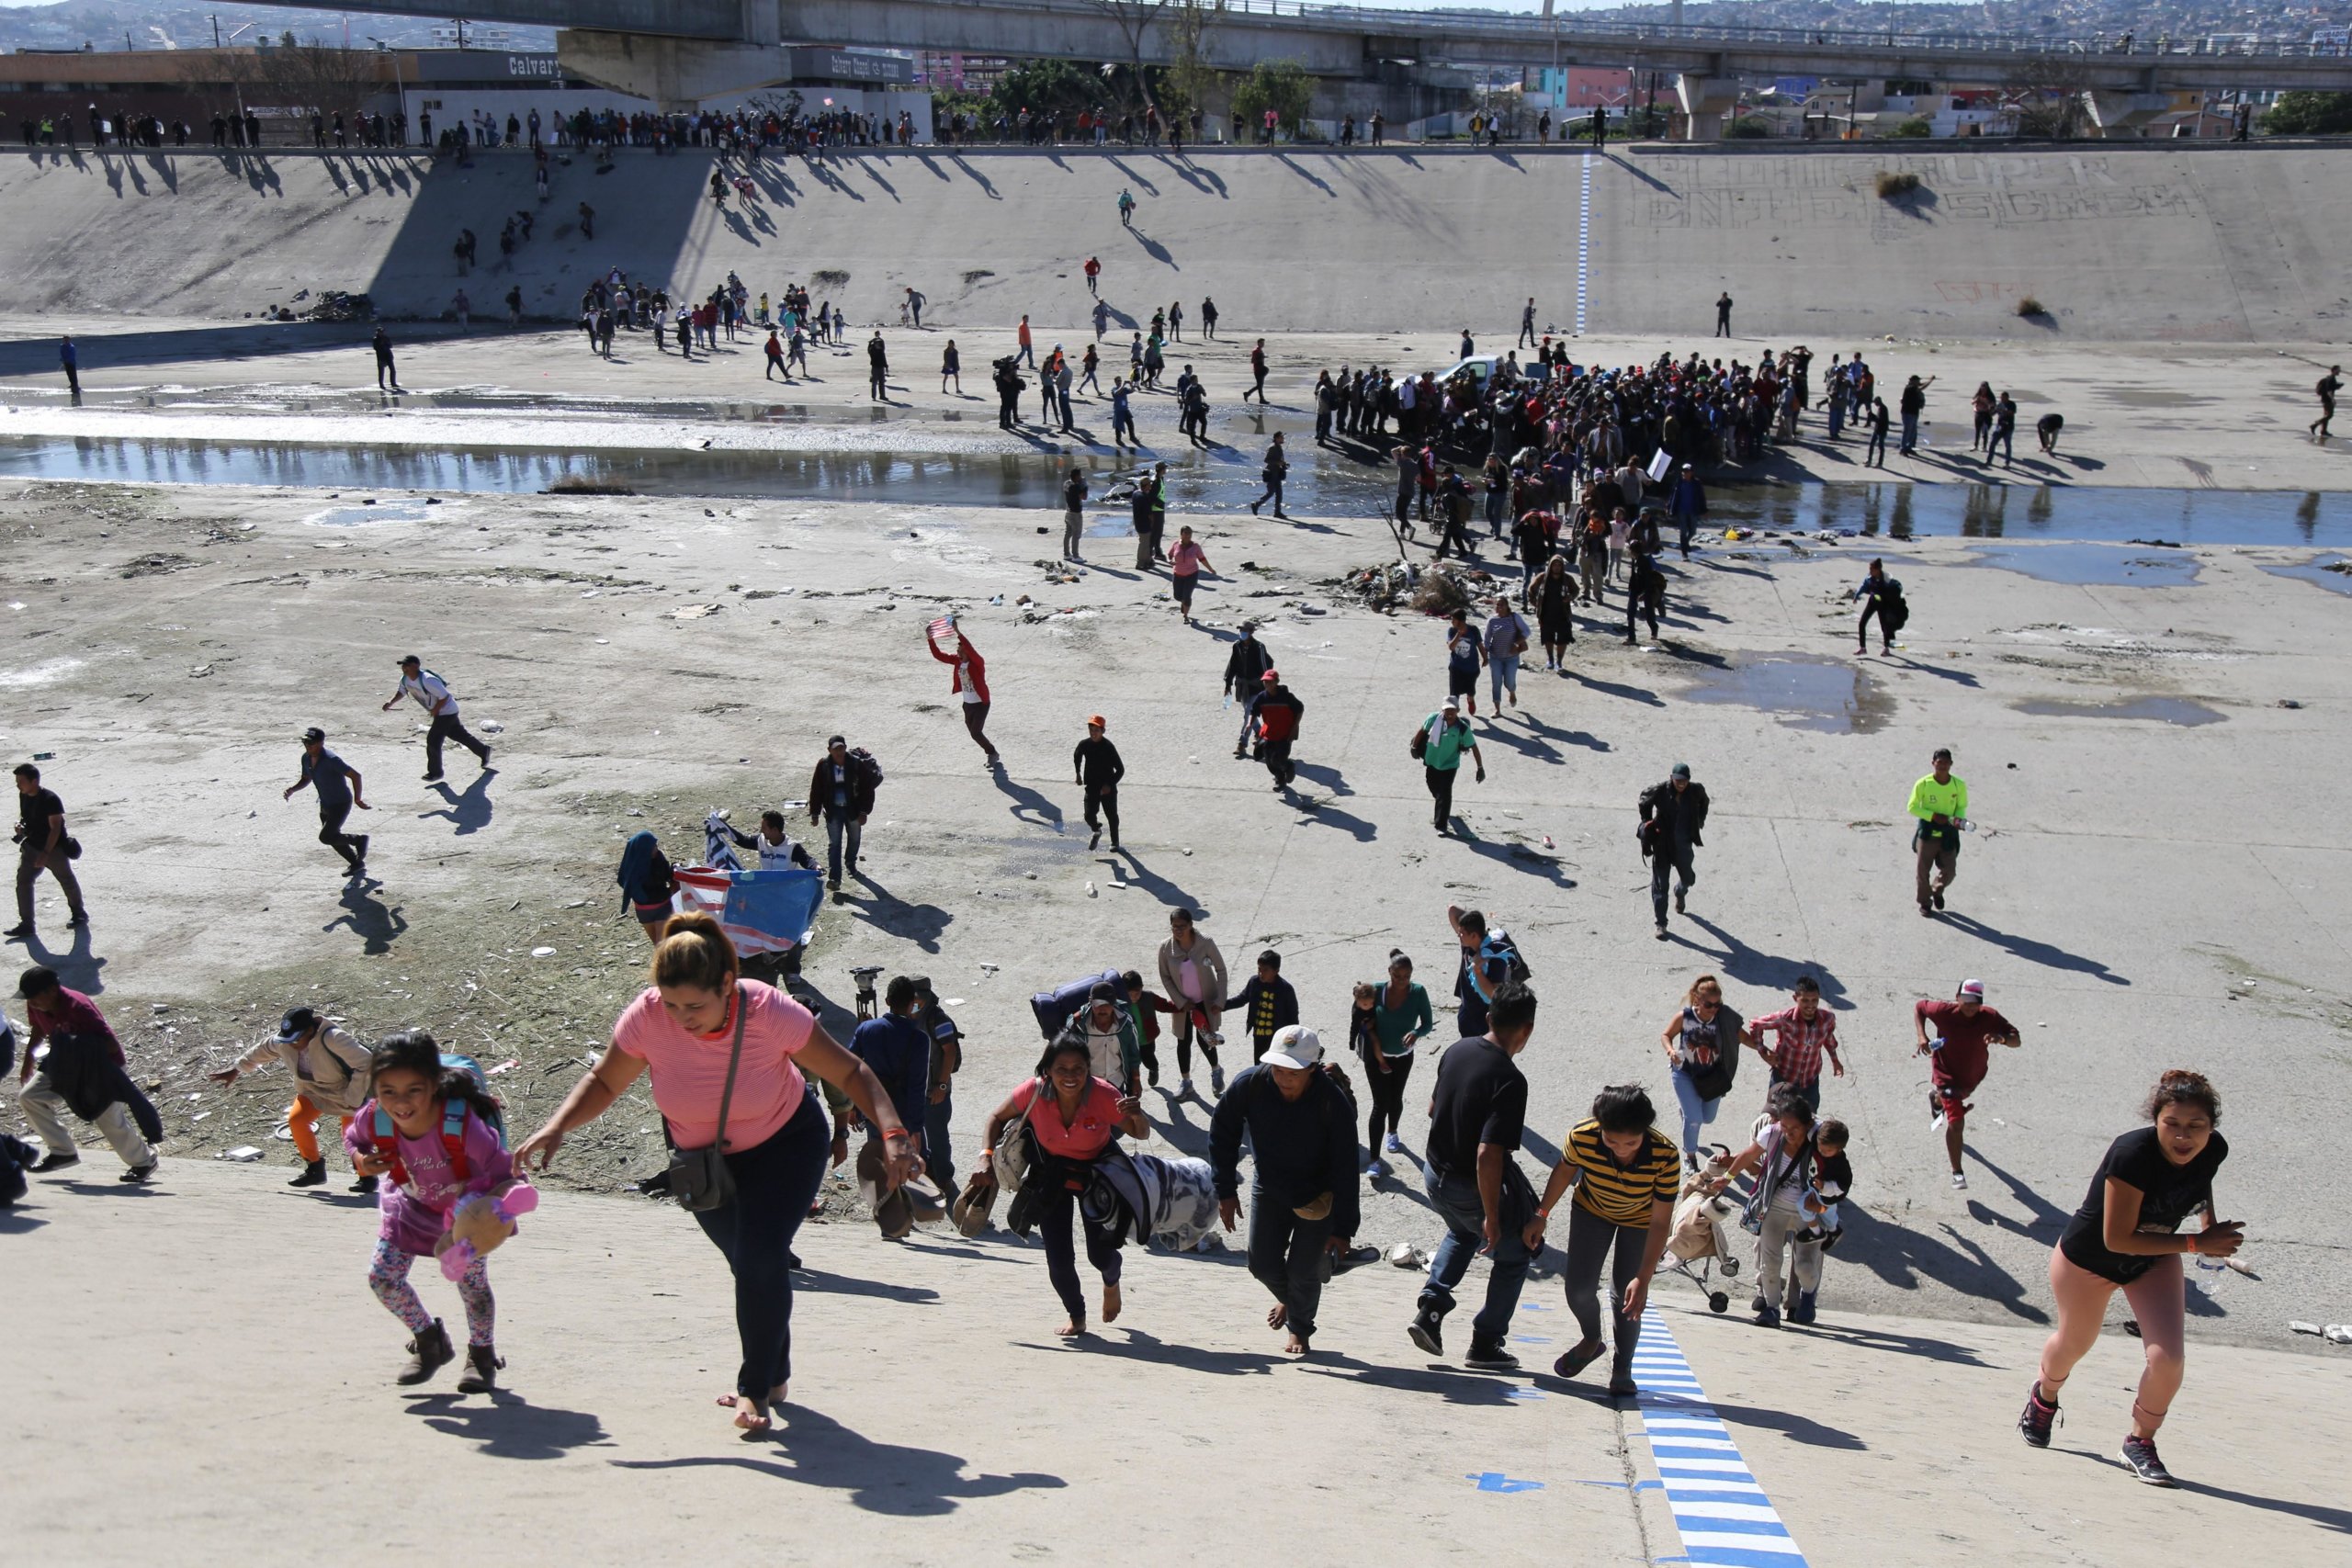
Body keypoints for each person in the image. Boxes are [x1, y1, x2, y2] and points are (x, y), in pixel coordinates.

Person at [515, 913, 917, 1431]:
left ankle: (755, 1391)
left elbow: (848, 1070)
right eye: (671, 1003)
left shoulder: (769, 1010)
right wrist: (558, 1125)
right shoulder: (647, 1016)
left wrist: (893, 1134)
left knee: (759, 1257)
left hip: (785, 1146)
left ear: (727, 985)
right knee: (751, 1263)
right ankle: (775, 1370)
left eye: (694, 1006)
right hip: (700, 1161)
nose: (680, 1017)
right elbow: (605, 1081)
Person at [2022, 1071, 2239, 1487]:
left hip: (2154, 1259)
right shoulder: (2131, 1154)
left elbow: (2200, 1182)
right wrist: (2197, 1242)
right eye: (2171, 1124)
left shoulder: (2214, 1149)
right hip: (2088, 1261)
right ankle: (2043, 1397)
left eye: (2196, 1127)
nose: (2183, 1137)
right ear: (2154, 1120)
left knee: (2168, 1359)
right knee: (2074, 1344)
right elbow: (2118, 1238)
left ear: (2211, 1129)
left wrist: (2208, 1224)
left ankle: (2140, 1442)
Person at [345, 1031, 520, 1392]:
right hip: (407, 1205)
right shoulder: (375, 1117)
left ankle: (482, 1356)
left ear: (434, 1084)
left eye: (414, 1090)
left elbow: (505, 1170)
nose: (400, 1102)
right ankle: (429, 1341)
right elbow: (354, 1138)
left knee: (471, 1285)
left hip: (461, 1213)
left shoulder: (460, 1124)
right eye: (387, 1090)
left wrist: (501, 1208)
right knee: (382, 1279)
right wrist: (361, 1160)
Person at [977, 1035, 1148, 1337]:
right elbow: (995, 1116)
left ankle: (1112, 1280)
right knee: (1058, 1259)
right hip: (1050, 1174)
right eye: (1061, 1069)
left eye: (1078, 1068)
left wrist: (1137, 1114)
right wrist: (985, 1157)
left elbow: (1140, 1133)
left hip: (1097, 1175)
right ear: (1047, 1071)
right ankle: (1077, 1315)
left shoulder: (1104, 1095)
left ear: (1088, 1069)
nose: (1070, 1076)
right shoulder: (1033, 1091)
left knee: (1100, 1254)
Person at [1408, 982, 1540, 1371]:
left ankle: (1431, 1309)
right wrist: (1493, 1217)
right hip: (1468, 1182)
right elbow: (1488, 1154)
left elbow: (1433, 1108)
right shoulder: (1511, 1080)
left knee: (1463, 1232)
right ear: (1527, 1030)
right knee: (1515, 1255)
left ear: (1488, 1017)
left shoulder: (1457, 1049)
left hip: (1434, 1175)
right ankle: (1485, 1342)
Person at [1211, 1025, 1361, 1355]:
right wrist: (1225, 1189)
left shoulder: (1332, 1102)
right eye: (1277, 1068)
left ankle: (1300, 1330)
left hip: (1318, 1195)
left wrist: (1344, 1229)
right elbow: (1223, 1132)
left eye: (1292, 1071)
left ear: (1311, 1069)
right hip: (1271, 1186)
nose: (1282, 1077)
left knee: (1302, 1270)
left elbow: (1348, 1167)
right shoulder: (1250, 1084)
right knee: (1261, 1264)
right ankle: (1291, 1298)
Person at [1527, 1083, 1679, 1394]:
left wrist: (1644, 1277)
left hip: (1640, 1221)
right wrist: (1540, 1214)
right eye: (1611, 1140)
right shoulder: (1582, 1136)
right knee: (1578, 1288)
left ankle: (1623, 1368)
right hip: (1591, 1211)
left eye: (1631, 1142)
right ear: (1600, 1128)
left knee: (1628, 1296)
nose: (1621, 1148)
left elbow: (1661, 1220)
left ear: (1645, 1132)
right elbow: (1563, 1172)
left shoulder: (1666, 1155)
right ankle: (1591, 1339)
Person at [13, 965, 158, 1181]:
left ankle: (144, 1162)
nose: (32, 1003)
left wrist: (79, 1047)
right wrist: (28, 1060)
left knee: (107, 1117)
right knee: (30, 1097)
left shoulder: (78, 1006)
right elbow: (38, 1028)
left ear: (52, 990)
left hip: (100, 1067)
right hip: (64, 1063)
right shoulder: (36, 1003)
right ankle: (63, 1153)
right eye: (29, 999)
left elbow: (109, 1044)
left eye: (35, 997)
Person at [211, 1005, 376, 1190]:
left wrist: (353, 1097)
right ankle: (314, 1169)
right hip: (311, 1089)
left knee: (351, 1136)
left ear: (311, 1030)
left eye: (297, 1039)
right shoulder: (284, 1041)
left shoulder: (333, 1038)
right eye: (289, 1039)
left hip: (345, 1089)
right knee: (297, 1121)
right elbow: (261, 1050)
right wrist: (236, 1069)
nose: (292, 1044)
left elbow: (367, 1062)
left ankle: (367, 1178)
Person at [1701, 1084, 1819, 1328]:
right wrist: (1728, 1177)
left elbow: (1837, 1161)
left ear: (1807, 1125)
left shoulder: (1818, 1136)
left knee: (1806, 1266)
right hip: (1773, 1206)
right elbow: (1748, 1155)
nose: (1788, 1133)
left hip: (1808, 1212)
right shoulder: (1772, 1132)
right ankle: (1771, 1310)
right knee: (1770, 1261)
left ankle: (1807, 1295)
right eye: (1784, 1127)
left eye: (1793, 1129)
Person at [1914, 977, 2019, 1190]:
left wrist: (2001, 1038)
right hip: (1946, 1075)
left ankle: (1936, 1099)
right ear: (1957, 998)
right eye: (1966, 1001)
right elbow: (1920, 1007)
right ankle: (1957, 1173)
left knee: (1951, 1100)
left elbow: (2016, 1039)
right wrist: (1921, 1036)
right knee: (1957, 1123)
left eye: (1976, 1002)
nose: (1971, 1007)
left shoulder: (1989, 1016)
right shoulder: (1943, 1011)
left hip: (1972, 1077)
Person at [848, 976, 934, 1227]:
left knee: (880, 1160)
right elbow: (918, 1086)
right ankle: (905, 1214)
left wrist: (854, 1106)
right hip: (905, 1114)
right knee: (909, 1162)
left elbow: (852, 1069)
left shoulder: (866, 1029)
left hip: (873, 1108)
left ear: (886, 1001)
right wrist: (916, 1127)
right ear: (913, 1004)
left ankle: (888, 1216)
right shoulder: (919, 1039)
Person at [1359, 951, 1432, 1177]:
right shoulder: (1377, 990)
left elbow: (1427, 1023)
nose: (1402, 981)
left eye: (1407, 976)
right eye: (1398, 976)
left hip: (1402, 1057)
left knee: (1395, 1098)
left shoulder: (1418, 992)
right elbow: (1358, 1010)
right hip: (1376, 1056)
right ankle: (1374, 1160)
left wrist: (1416, 1032)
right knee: (1379, 1104)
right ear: (1389, 972)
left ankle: (1393, 1131)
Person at [1659, 974, 1741, 1168]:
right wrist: (1671, 1051)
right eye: (1708, 1005)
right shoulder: (1684, 1017)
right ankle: (1690, 1156)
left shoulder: (1723, 1019)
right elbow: (1666, 1035)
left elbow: (1743, 1037)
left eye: (1717, 1004)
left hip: (1712, 1077)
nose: (1713, 1009)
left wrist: (1765, 1051)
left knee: (1707, 1118)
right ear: (1697, 999)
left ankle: (1687, 1113)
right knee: (1694, 1119)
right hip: (1685, 1073)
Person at [381, 655, 492, 783]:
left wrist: (435, 710)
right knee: (459, 735)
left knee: (433, 740)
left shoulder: (428, 680)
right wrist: (390, 702)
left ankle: (436, 772)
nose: (404, 668)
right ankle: (484, 751)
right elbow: (402, 691)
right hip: (442, 712)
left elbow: (444, 696)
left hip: (446, 712)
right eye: (403, 666)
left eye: (407, 666)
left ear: (416, 667)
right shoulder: (405, 679)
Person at [1743, 976, 1843, 1113]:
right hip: (1783, 1078)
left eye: (1815, 1000)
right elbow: (1756, 1024)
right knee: (1776, 1117)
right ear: (1796, 998)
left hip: (1810, 1080)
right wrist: (1763, 1051)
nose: (1811, 1005)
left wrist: (1835, 1061)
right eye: (1805, 1000)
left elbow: (1829, 1039)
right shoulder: (1785, 1019)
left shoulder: (1827, 1019)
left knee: (1809, 1119)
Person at [9, 762, 85, 942]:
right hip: (32, 846)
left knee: (66, 879)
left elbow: (55, 829)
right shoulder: (24, 795)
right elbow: (25, 816)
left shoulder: (50, 799)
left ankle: (79, 913)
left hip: (53, 848)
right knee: (23, 881)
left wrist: (45, 853)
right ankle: (27, 924)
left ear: (34, 781)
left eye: (21, 781)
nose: (18, 785)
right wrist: (19, 825)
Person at [1157, 908, 1228, 1099]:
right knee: (1183, 1041)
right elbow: (1165, 977)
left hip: (1205, 1002)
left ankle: (1216, 1070)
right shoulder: (1166, 948)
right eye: (1174, 927)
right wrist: (1180, 1002)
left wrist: (1220, 1000)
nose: (1178, 930)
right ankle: (1186, 1081)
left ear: (1191, 925)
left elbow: (1221, 971)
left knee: (1206, 1039)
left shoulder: (1206, 943)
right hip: (1182, 1006)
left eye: (1182, 926)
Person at [283, 727, 369, 879]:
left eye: (311, 742)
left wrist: (358, 799)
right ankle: (356, 864)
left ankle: (358, 839)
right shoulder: (306, 758)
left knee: (326, 837)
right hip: (325, 804)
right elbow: (306, 778)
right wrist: (293, 790)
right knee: (333, 838)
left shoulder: (331, 760)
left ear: (321, 743)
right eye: (305, 742)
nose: (307, 745)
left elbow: (355, 775)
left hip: (340, 803)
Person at [1638, 762, 1708, 939]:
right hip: (1662, 844)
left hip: (1683, 845)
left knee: (1689, 878)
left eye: (1684, 780)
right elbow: (1643, 800)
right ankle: (1661, 924)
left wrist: (1700, 820)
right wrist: (1647, 822)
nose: (1681, 784)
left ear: (1688, 780)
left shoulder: (1696, 791)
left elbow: (1704, 802)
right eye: (1677, 780)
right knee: (1661, 885)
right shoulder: (1660, 790)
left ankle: (1680, 891)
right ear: (1671, 778)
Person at [808, 735, 880, 899]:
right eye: (835, 749)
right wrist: (815, 813)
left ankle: (850, 864)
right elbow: (816, 790)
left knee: (854, 839)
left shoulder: (856, 764)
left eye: (841, 748)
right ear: (829, 750)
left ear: (845, 747)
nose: (839, 752)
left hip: (853, 811)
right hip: (833, 812)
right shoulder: (823, 765)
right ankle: (835, 878)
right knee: (834, 844)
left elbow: (867, 790)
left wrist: (864, 812)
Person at [909, 976, 962, 1195]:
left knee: (938, 1137)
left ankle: (944, 1177)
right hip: (914, 1091)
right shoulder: (910, 1015)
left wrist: (941, 1086)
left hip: (934, 1092)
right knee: (916, 1135)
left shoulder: (938, 1019)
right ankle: (926, 1171)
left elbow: (949, 1052)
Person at [924, 617, 1000, 768]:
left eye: (960, 651)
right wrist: (930, 638)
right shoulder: (957, 661)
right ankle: (991, 752)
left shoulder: (977, 663)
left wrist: (958, 631)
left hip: (981, 704)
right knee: (973, 732)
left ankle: (992, 753)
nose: (958, 653)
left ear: (967, 652)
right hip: (967, 704)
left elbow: (970, 648)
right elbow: (939, 655)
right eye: (957, 651)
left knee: (976, 733)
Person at [1054, 982, 1143, 1098]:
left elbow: (1133, 1055)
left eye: (1107, 1003)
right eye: (1098, 1003)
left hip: (1116, 1083)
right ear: (1090, 1001)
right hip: (1087, 1085)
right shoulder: (1077, 1025)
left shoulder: (1126, 1024)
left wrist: (1136, 1080)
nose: (1103, 1008)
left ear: (1114, 1002)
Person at [1907, 747, 1967, 917]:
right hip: (1927, 834)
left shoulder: (1958, 785)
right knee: (1922, 871)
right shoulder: (1923, 784)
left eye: (1946, 763)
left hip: (1948, 834)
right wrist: (1932, 816)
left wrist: (1957, 821)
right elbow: (1912, 807)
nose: (1943, 766)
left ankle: (1937, 890)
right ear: (1933, 763)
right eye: (1939, 762)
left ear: (1951, 764)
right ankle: (1925, 903)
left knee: (1950, 870)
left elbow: (1961, 806)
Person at [1417, 697, 1484, 837]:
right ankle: (1442, 806)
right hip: (1432, 761)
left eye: (1452, 709)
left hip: (1450, 765)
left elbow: (1474, 747)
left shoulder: (1463, 729)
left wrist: (1480, 767)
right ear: (1443, 710)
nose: (1450, 712)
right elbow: (1422, 731)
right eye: (1447, 709)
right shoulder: (1434, 719)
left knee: (1445, 794)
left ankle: (1441, 825)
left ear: (1458, 710)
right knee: (1433, 786)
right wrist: (1413, 746)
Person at [1225, 949, 1299, 1063]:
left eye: (1265, 970)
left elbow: (1293, 1017)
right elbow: (1242, 999)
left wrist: (1292, 1040)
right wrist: (1222, 1006)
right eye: (1259, 968)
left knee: (1274, 1066)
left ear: (1276, 971)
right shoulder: (1254, 983)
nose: (1261, 973)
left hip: (1277, 1038)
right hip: (1259, 1035)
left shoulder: (1286, 989)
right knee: (1259, 1066)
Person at [1245, 668, 1305, 792]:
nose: (1267, 684)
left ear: (1276, 682)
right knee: (1269, 761)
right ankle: (1280, 780)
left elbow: (1300, 709)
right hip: (1268, 734)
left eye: (1270, 681)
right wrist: (1249, 724)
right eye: (1265, 682)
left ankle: (1289, 766)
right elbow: (1254, 711)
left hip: (1285, 734)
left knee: (1279, 759)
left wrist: (1295, 727)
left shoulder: (1287, 697)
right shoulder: (1262, 697)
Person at [1072, 714, 1124, 852]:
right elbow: (1077, 755)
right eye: (1091, 730)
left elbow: (1120, 769)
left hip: (1108, 788)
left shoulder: (1108, 747)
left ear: (1103, 731)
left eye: (1096, 730)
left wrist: (1109, 785)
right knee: (1089, 815)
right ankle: (1097, 830)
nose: (1093, 733)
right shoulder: (1085, 744)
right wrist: (1077, 773)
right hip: (1092, 786)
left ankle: (1115, 842)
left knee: (1112, 816)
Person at [1222, 621, 1274, 756]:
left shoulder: (1259, 647)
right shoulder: (1237, 646)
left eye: (1245, 631)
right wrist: (1228, 684)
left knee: (1248, 715)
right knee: (1249, 712)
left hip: (1256, 687)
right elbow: (1232, 665)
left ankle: (1242, 743)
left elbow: (1265, 667)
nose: (1242, 633)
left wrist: (1267, 686)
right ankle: (1260, 733)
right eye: (1241, 630)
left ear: (1251, 632)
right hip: (1242, 686)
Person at [616, 829, 676, 944]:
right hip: (644, 910)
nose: (656, 849)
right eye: (653, 846)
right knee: (657, 944)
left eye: (656, 845)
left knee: (661, 944)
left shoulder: (659, 859)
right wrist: (639, 895)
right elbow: (623, 881)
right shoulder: (634, 866)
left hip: (663, 906)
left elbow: (667, 877)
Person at [1482, 594, 1531, 713]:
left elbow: (1527, 631)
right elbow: (1487, 639)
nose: (1499, 607)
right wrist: (1485, 656)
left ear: (1507, 606)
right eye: (1497, 605)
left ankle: (1512, 692)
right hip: (1495, 657)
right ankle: (1497, 709)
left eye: (1502, 605)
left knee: (1509, 681)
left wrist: (1515, 644)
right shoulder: (1492, 621)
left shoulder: (1514, 617)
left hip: (1511, 658)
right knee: (1496, 683)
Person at [1853, 558, 1905, 656]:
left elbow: (1894, 590)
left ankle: (1886, 648)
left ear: (1878, 569)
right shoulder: (1869, 578)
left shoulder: (1886, 579)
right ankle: (1862, 648)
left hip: (1883, 604)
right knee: (1862, 623)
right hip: (1872, 602)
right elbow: (1864, 586)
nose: (1870, 571)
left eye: (1872, 569)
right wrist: (1856, 595)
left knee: (1884, 626)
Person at [1167, 525, 1215, 625]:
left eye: (1190, 533)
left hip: (1192, 574)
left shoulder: (1195, 546)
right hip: (1178, 574)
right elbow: (1170, 555)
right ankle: (1183, 602)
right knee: (1177, 596)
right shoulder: (1176, 544)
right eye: (1185, 533)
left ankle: (1185, 615)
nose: (1188, 535)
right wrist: (1170, 560)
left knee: (1187, 595)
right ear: (1181, 534)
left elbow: (1202, 559)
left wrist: (1210, 569)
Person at [1444, 608, 1486, 717]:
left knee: (1471, 691)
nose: (1452, 622)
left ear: (1461, 621)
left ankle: (1470, 700)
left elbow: (1480, 645)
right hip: (1456, 667)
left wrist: (1485, 658)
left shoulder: (1473, 630)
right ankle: (1454, 717)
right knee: (1454, 694)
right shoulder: (1452, 631)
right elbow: (1451, 647)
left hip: (1471, 668)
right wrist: (1459, 634)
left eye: (1454, 620)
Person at [1668, 464, 1707, 559]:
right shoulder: (1679, 482)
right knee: (1683, 531)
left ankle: (1685, 543)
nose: (1684, 473)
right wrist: (1669, 507)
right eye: (1683, 471)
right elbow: (1673, 495)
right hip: (1681, 511)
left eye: (1687, 471)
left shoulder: (1696, 483)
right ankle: (1684, 553)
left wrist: (1704, 510)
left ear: (1691, 473)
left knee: (1693, 531)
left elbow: (1702, 497)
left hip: (1693, 510)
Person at [1250, 432, 1289, 518]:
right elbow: (1267, 460)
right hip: (1271, 473)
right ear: (1277, 438)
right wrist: (1278, 462)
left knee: (1279, 493)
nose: (1283, 439)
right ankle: (1256, 504)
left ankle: (1277, 512)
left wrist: (1283, 464)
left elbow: (1278, 459)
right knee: (1270, 493)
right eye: (1282, 437)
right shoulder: (1273, 447)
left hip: (1277, 473)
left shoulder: (1278, 447)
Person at [1897, 373, 1936, 456]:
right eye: (1918, 380)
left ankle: (1909, 447)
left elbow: (1921, 385)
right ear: (1914, 381)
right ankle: (1903, 449)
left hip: (1914, 412)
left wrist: (1929, 379)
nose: (1919, 382)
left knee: (1913, 431)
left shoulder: (1913, 386)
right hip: (1908, 413)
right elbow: (1922, 387)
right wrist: (1930, 380)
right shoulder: (1910, 388)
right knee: (1907, 431)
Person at [1060, 466, 1088, 561]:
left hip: (1068, 511)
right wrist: (1085, 487)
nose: (1081, 477)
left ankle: (1067, 554)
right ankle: (1076, 556)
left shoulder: (1066, 484)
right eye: (1080, 475)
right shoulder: (1075, 487)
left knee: (1068, 533)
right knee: (1076, 534)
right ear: (1076, 476)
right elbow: (1084, 497)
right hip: (1076, 513)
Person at [2312, 364, 2341, 439]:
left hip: (2325, 399)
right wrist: (2333, 399)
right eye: (2338, 370)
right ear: (2334, 370)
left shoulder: (2331, 378)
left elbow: (2331, 388)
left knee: (2326, 415)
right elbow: (2329, 391)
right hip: (2327, 399)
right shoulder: (2331, 378)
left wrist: (2337, 386)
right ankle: (2315, 424)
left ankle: (2323, 431)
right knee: (2329, 415)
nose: (2339, 371)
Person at [371, 324, 400, 391]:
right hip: (381, 356)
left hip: (388, 355)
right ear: (377, 332)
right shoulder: (375, 339)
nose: (381, 333)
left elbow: (390, 346)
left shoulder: (386, 338)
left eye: (382, 331)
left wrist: (385, 344)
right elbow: (376, 348)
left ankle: (393, 383)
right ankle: (381, 384)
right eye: (380, 332)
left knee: (393, 370)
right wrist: (381, 345)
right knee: (381, 371)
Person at [1865, 396, 1892, 468]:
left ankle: (1880, 463)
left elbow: (1879, 420)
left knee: (1880, 447)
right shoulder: (1881, 408)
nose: (1875, 404)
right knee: (1872, 444)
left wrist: (1871, 415)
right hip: (1877, 430)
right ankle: (1869, 460)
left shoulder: (1883, 409)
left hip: (1881, 431)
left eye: (1875, 402)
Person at [58, 334, 79, 399]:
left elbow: (72, 355)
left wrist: (67, 360)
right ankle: (72, 384)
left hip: (71, 362)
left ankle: (75, 385)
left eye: (67, 339)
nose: (66, 341)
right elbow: (62, 353)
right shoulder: (62, 346)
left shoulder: (71, 347)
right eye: (65, 339)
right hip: (66, 361)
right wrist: (62, 360)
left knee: (73, 374)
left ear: (69, 340)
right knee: (68, 374)